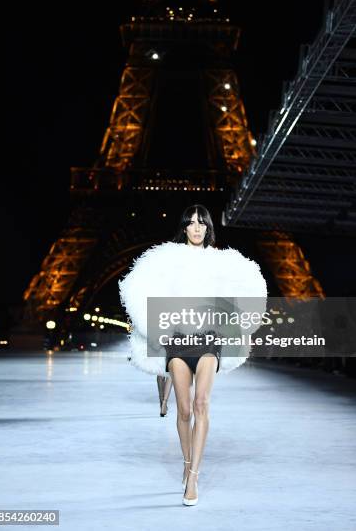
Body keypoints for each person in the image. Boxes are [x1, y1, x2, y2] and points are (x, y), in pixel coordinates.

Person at [119, 204, 267, 506]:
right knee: (184, 410)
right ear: (184, 227)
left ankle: (194, 476)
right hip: (177, 340)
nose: (197, 228)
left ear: (209, 227)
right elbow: (143, 290)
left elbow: (241, 294)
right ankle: (186, 463)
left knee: (201, 404)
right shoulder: (166, 260)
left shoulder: (222, 263)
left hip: (209, 340)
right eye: (192, 222)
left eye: (202, 223)